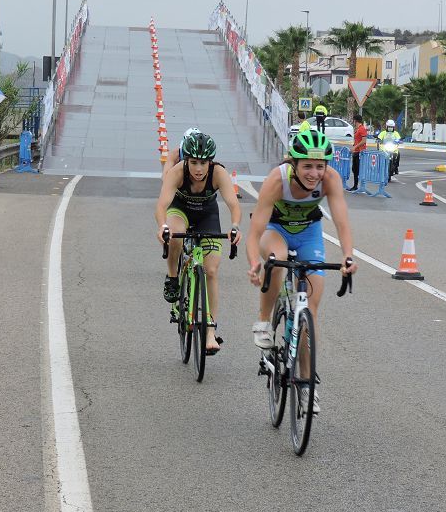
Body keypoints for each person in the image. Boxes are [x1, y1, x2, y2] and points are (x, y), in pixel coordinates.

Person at [246, 129, 357, 414]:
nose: (314, 173)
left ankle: (307, 384)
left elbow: (342, 221)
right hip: (275, 230)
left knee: (309, 311)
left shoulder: (330, 179)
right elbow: (255, 230)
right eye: (307, 166)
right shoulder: (277, 179)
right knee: (277, 259)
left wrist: (347, 256)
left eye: (320, 166)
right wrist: (254, 264)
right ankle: (264, 321)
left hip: (309, 233)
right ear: (293, 164)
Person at [155, 132, 242, 355]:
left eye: (203, 163)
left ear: (210, 161)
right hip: (180, 210)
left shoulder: (218, 173)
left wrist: (234, 226)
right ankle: (173, 278)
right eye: (193, 162)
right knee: (176, 234)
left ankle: (210, 331)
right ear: (187, 160)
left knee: (211, 269)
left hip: (207, 215)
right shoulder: (178, 172)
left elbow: (233, 204)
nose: (198, 168)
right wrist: (162, 226)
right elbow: (162, 204)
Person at [348, 114, 367, 191]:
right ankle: (355, 186)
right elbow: (358, 140)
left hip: (360, 152)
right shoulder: (358, 129)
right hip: (356, 151)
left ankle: (357, 186)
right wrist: (354, 146)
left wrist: (355, 147)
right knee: (354, 169)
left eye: (354, 120)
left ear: (355, 120)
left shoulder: (362, 129)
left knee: (357, 169)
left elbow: (364, 141)